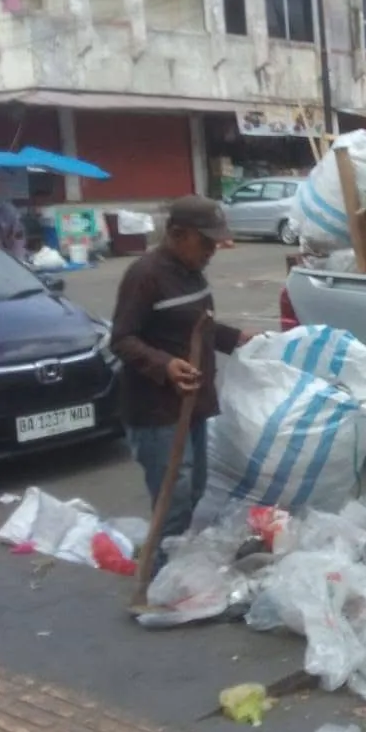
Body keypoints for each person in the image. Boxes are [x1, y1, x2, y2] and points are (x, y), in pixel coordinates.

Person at [111, 195, 247, 556]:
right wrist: (165, 364)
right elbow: (121, 339)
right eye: (205, 242)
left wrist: (239, 340)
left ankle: (169, 561)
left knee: (195, 488)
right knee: (174, 497)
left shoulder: (192, 274)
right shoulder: (145, 275)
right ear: (177, 233)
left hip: (192, 405)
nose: (212, 250)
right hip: (157, 412)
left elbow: (201, 328)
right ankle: (156, 580)